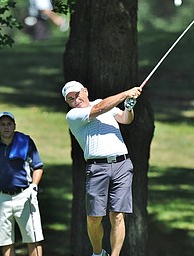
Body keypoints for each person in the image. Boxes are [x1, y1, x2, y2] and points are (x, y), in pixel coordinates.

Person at [61, 81, 142, 256]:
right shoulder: (74, 115)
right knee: (94, 217)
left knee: (118, 215)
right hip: (97, 168)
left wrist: (129, 107)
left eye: (77, 94)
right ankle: (98, 253)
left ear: (85, 91)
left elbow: (125, 119)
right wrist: (125, 93)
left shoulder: (104, 104)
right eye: (70, 99)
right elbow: (99, 109)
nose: (75, 100)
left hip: (122, 164)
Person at [0, 111, 44, 256]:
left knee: (34, 239)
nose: (6, 127)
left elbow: (38, 167)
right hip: (1, 197)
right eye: (2, 124)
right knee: (5, 241)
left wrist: (34, 187)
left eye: (9, 124)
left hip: (25, 195)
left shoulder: (25, 141)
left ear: (14, 126)